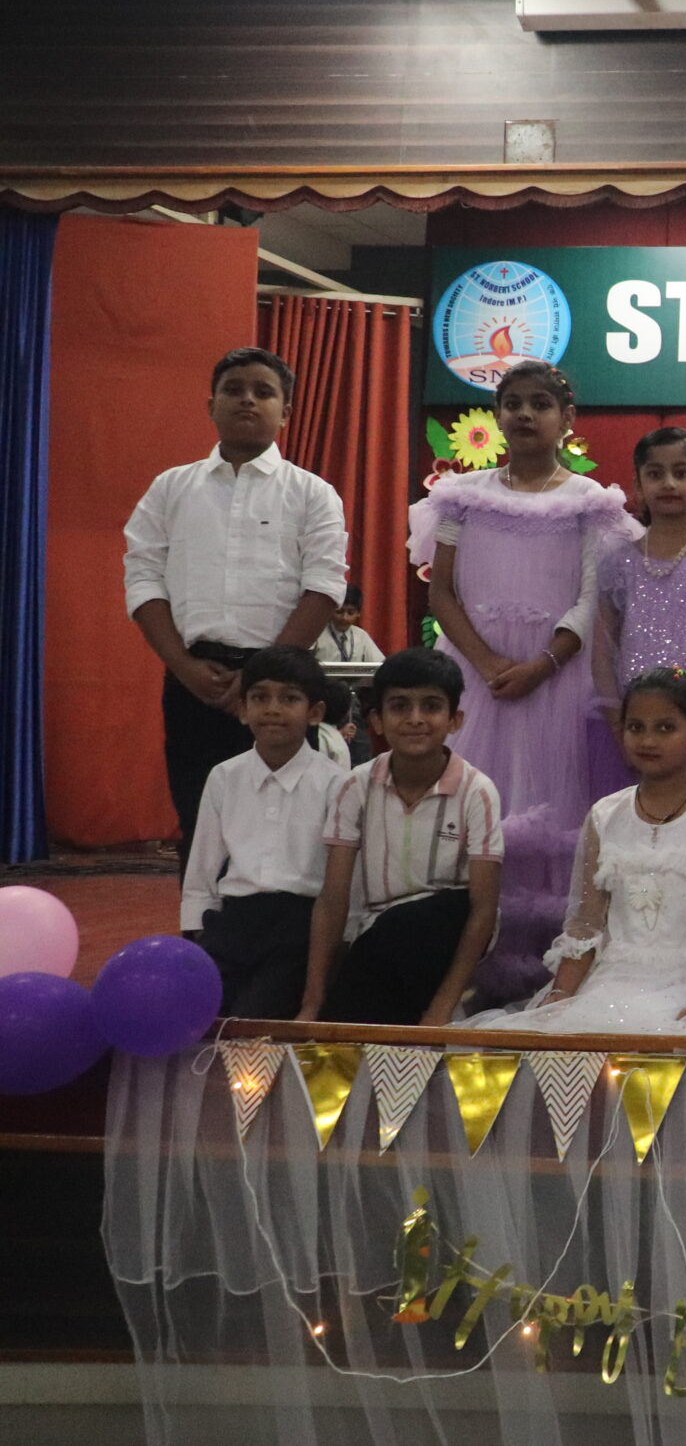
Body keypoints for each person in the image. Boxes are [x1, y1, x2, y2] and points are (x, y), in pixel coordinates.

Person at [409, 359, 638, 1003]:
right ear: (497, 415)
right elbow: (441, 593)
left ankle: (545, 976)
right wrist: (485, 663)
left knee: (553, 818)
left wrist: (544, 663)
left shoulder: (590, 503)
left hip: (558, 682)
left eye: (541, 404)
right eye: (513, 403)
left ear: (568, 419)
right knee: (472, 817)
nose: (525, 414)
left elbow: (594, 597)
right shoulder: (462, 496)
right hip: (477, 680)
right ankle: (462, 972)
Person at [125, 347, 348, 866]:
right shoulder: (171, 488)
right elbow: (143, 580)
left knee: (285, 826)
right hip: (194, 681)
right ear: (211, 406)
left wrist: (261, 677)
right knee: (199, 822)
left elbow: (323, 588)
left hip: (282, 685)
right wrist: (183, 667)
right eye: (233, 390)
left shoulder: (313, 494)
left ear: (285, 412)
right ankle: (203, 921)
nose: (247, 400)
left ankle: (281, 921)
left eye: (263, 392)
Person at [470, 668, 686, 1033]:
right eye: (636, 727)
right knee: (554, 1036)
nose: (648, 740)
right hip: (616, 976)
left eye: (665, 728)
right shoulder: (605, 815)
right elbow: (585, 925)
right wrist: (560, 994)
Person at [297, 648, 504, 1026]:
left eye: (431, 706)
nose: (415, 719)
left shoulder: (477, 791)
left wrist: (440, 1010)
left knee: (412, 924)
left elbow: (484, 908)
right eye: (400, 706)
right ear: (376, 720)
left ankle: (436, 1013)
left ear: (455, 719)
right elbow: (332, 898)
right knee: (348, 1013)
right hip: (379, 936)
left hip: (449, 928)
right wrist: (312, 1002)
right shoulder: (355, 786)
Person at [178, 646, 340, 1019]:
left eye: (289, 698)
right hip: (233, 921)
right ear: (242, 709)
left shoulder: (336, 784)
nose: (272, 709)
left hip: (300, 926)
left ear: (314, 713)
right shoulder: (224, 777)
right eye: (260, 697)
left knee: (252, 1016)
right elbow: (202, 867)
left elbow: (341, 882)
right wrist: (197, 936)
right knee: (193, 1012)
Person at [588, 426, 686, 800]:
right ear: (638, 485)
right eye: (655, 474)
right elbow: (602, 650)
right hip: (629, 723)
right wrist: (621, 724)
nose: (669, 483)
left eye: (681, 473)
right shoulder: (618, 559)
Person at [320, 581, 386, 667]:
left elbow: (379, 664)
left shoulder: (361, 636)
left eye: (350, 613)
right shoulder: (318, 634)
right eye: (339, 612)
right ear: (331, 610)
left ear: (358, 613)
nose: (344, 617)